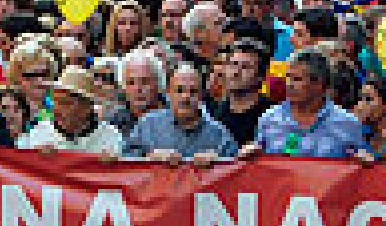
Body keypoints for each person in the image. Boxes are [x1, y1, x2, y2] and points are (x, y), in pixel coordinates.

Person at [239, 48, 370, 160]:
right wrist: (249, 155)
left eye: (297, 79)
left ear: (319, 84)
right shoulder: (269, 119)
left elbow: (359, 173)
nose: (289, 84)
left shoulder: (348, 124)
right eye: (288, 77)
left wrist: (363, 162)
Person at [123, 62, 238, 166]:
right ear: (168, 92)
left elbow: (237, 171)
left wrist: (218, 163)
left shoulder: (219, 136)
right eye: (179, 90)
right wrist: (149, 158)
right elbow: (125, 164)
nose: (185, 97)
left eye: (192, 91)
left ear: (202, 96)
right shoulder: (147, 126)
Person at [17, 66, 124, 155]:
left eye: (65, 103)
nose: (56, 110)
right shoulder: (37, 135)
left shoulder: (110, 138)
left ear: (87, 107)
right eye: (54, 101)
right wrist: (35, 159)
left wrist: (112, 166)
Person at [210, 40, 276, 145]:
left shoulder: (273, 116)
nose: (236, 72)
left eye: (245, 67)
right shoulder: (213, 113)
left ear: (260, 76)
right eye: (233, 64)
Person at [110, 50, 166, 136]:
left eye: (144, 81)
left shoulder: (176, 115)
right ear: (123, 87)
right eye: (131, 82)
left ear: (159, 83)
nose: (138, 88)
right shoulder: (114, 125)